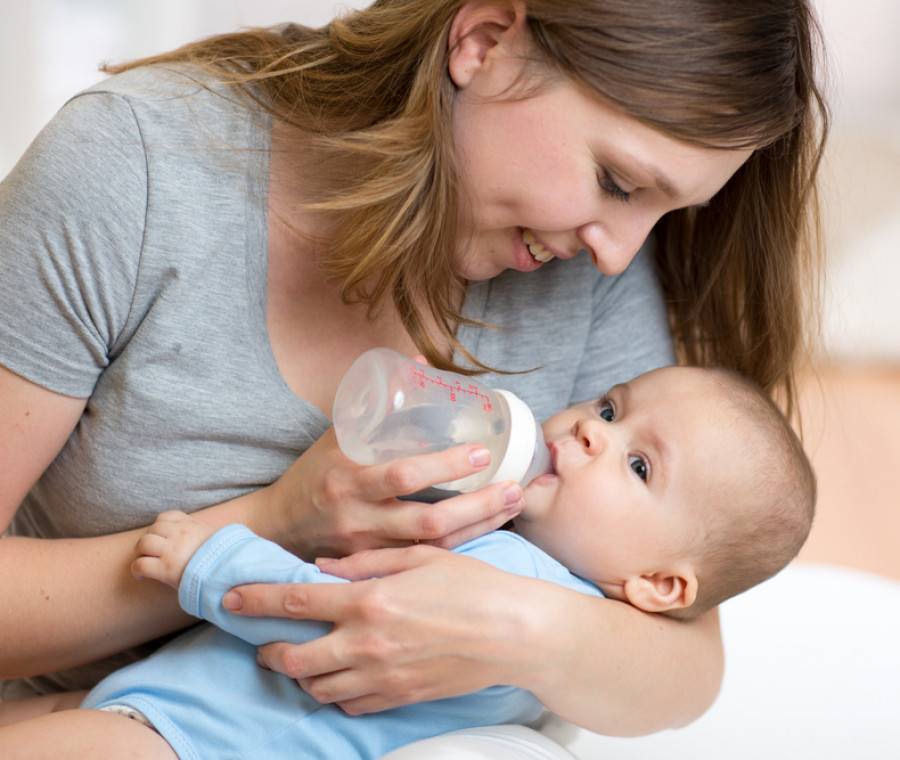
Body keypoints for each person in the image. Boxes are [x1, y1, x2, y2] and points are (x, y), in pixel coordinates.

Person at [0, 0, 828, 751]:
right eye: (616, 181)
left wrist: (517, 627)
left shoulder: (586, 271)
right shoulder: (136, 169)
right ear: (483, 41)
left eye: (664, 211)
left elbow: (681, 663)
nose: (619, 249)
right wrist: (279, 522)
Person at [0, 365, 817, 758]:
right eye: (610, 406)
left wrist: (206, 561)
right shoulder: (508, 541)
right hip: (150, 705)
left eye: (639, 466)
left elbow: (327, 610)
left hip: (194, 746)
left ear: (658, 585)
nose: (593, 431)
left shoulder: (526, 591)